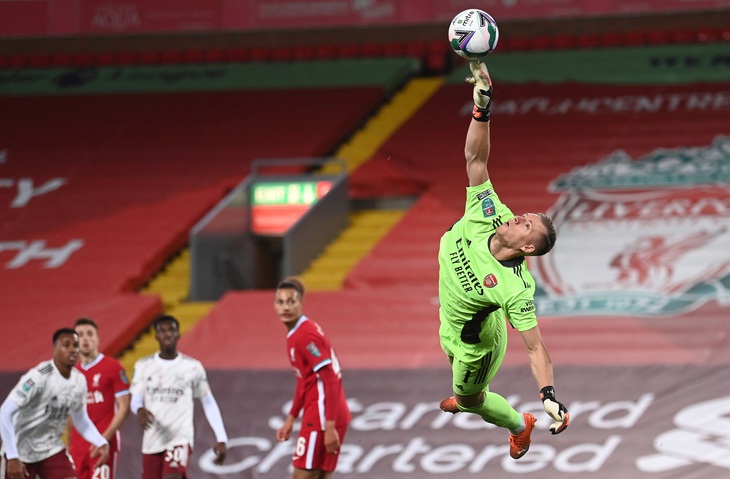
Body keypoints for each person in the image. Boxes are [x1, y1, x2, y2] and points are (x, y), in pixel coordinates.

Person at [437, 60, 570, 460]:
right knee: (453, 363)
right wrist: (482, 106)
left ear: (528, 249)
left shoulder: (515, 287)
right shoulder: (488, 208)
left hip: (478, 340)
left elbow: (535, 348)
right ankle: (467, 390)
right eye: (525, 215)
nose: (519, 216)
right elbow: (475, 159)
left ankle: (518, 424)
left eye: (526, 225)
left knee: (473, 398)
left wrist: (548, 395)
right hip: (453, 313)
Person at [0, 328, 109, 479]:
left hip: (51, 449)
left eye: (75, 345)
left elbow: (80, 419)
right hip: (20, 451)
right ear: (55, 349)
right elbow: (5, 412)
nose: (72, 349)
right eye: (66, 345)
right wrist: (12, 456)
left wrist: (100, 441)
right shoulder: (39, 376)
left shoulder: (79, 380)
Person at [130, 314, 228, 479]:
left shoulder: (192, 367)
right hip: (153, 439)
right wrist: (139, 410)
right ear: (156, 336)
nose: (167, 334)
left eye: (171, 330)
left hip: (179, 437)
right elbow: (135, 400)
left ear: (178, 334)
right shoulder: (144, 366)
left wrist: (221, 437)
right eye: (162, 331)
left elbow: (208, 401)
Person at [274, 277, 351, 479]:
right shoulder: (297, 333)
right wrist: (291, 417)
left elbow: (330, 379)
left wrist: (329, 425)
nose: (286, 307)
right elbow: (303, 380)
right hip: (325, 412)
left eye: (291, 301)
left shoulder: (305, 336)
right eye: (280, 302)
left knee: (302, 476)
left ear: (301, 303)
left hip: (322, 415)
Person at [68, 318, 130, 479]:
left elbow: (124, 407)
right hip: (78, 447)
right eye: (80, 335)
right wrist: (69, 444)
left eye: (90, 334)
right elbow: (71, 413)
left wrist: (104, 439)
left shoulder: (113, 367)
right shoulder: (71, 373)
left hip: (103, 442)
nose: (85, 338)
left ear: (97, 339)